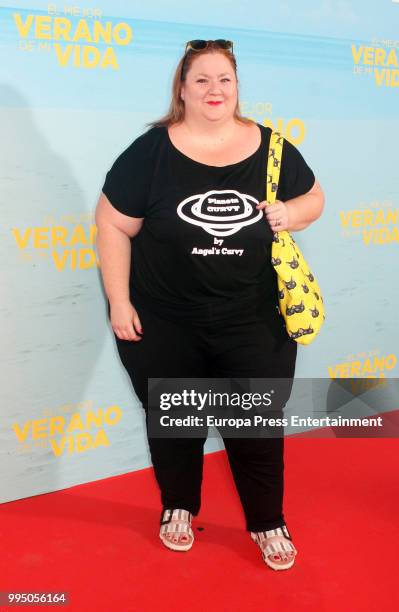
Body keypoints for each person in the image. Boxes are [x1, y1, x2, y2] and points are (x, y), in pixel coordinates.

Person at [95, 39, 325, 571]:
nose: (214, 89)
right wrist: (119, 299)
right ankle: (178, 506)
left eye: (224, 79)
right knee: (174, 421)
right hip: (167, 321)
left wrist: (290, 212)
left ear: (237, 87)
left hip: (255, 322)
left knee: (256, 425)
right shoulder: (150, 152)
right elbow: (113, 223)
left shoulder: (272, 148)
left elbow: (314, 198)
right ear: (182, 88)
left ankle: (267, 520)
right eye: (201, 79)